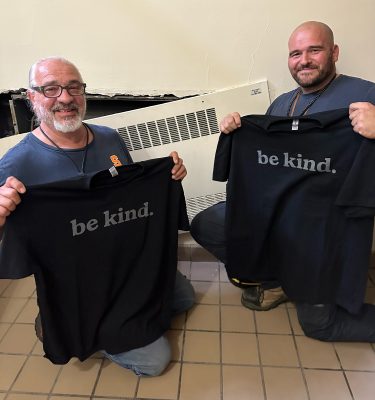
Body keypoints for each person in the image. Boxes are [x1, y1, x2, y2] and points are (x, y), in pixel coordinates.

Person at [0, 56, 195, 375]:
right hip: (79, 284)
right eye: (51, 89)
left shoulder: (109, 138)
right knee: (155, 362)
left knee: (183, 297)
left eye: (74, 87)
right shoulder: (15, 165)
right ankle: (62, 322)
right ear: (31, 96)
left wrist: (168, 176)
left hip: (126, 263)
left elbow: (131, 193)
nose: (65, 98)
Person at [190, 21, 375, 341]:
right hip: (277, 215)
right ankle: (276, 279)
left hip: (323, 232)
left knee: (319, 325)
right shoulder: (281, 104)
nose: (303, 60)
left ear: (334, 52)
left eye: (314, 50)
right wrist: (237, 131)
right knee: (207, 223)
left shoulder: (366, 93)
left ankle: (295, 279)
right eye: (295, 53)